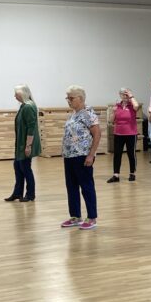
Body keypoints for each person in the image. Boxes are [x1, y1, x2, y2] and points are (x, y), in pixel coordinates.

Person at [60, 85, 101, 229]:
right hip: (70, 156)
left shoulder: (88, 113)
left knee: (86, 186)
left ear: (81, 98)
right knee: (71, 187)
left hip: (82, 156)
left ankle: (92, 218)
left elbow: (97, 134)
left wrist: (91, 154)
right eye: (67, 98)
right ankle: (75, 216)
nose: (68, 100)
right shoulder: (73, 114)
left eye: (71, 98)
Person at [5, 84, 41, 202]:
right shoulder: (24, 106)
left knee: (25, 168)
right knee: (18, 166)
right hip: (20, 143)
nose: (14, 96)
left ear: (23, 94)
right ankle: (17, 193)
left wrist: (28, 146)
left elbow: (31, 127)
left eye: (16, 94)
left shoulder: (28, 107)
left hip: (25, 144)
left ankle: (30, 194)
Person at [108, 87, 139, 183]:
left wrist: (131, 95)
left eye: (126, 94)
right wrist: (113, 112)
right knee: (117, 154)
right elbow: (111, 120)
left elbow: (137, 106)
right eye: (123, 94)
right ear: (120, 95)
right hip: (118, 133)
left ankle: (132, 173)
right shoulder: (117, 106)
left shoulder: (132, 105)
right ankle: (116, 175)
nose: (125, 96)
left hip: (131, 134)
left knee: (131, 154)